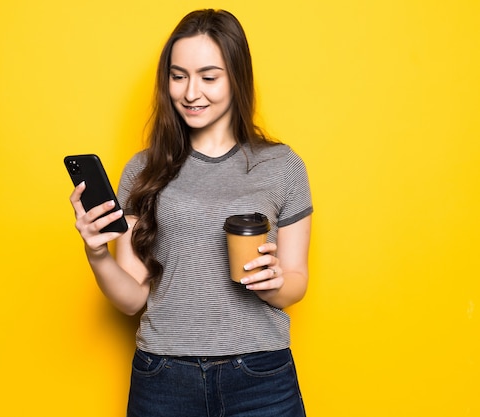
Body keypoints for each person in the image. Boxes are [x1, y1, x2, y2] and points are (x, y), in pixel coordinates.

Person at [70, 9, 313, 417]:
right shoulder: (143, 170)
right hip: (164, 378)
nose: (190, 92)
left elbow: (297, 281)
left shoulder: (283, 166)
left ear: (237, 77)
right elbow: (131, 298)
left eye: (209, 76)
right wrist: (96, 254)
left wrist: (272, 283)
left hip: (260, 376)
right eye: (178, 75)